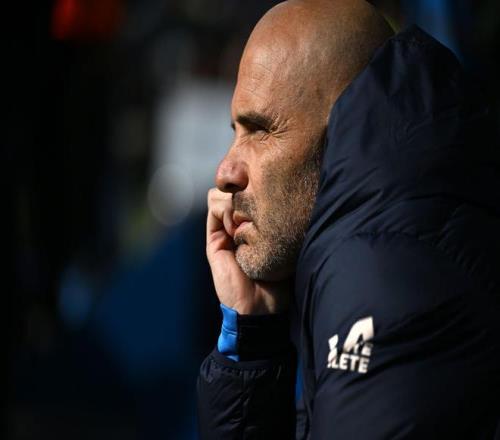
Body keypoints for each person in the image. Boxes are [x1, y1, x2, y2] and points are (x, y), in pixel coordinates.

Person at [197, 0, 500, 438]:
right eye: (236, 132)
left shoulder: (383, 274)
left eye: (261, 130)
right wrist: (253, 339)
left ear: (340, 127)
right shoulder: (377, 243)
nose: (225, 172)